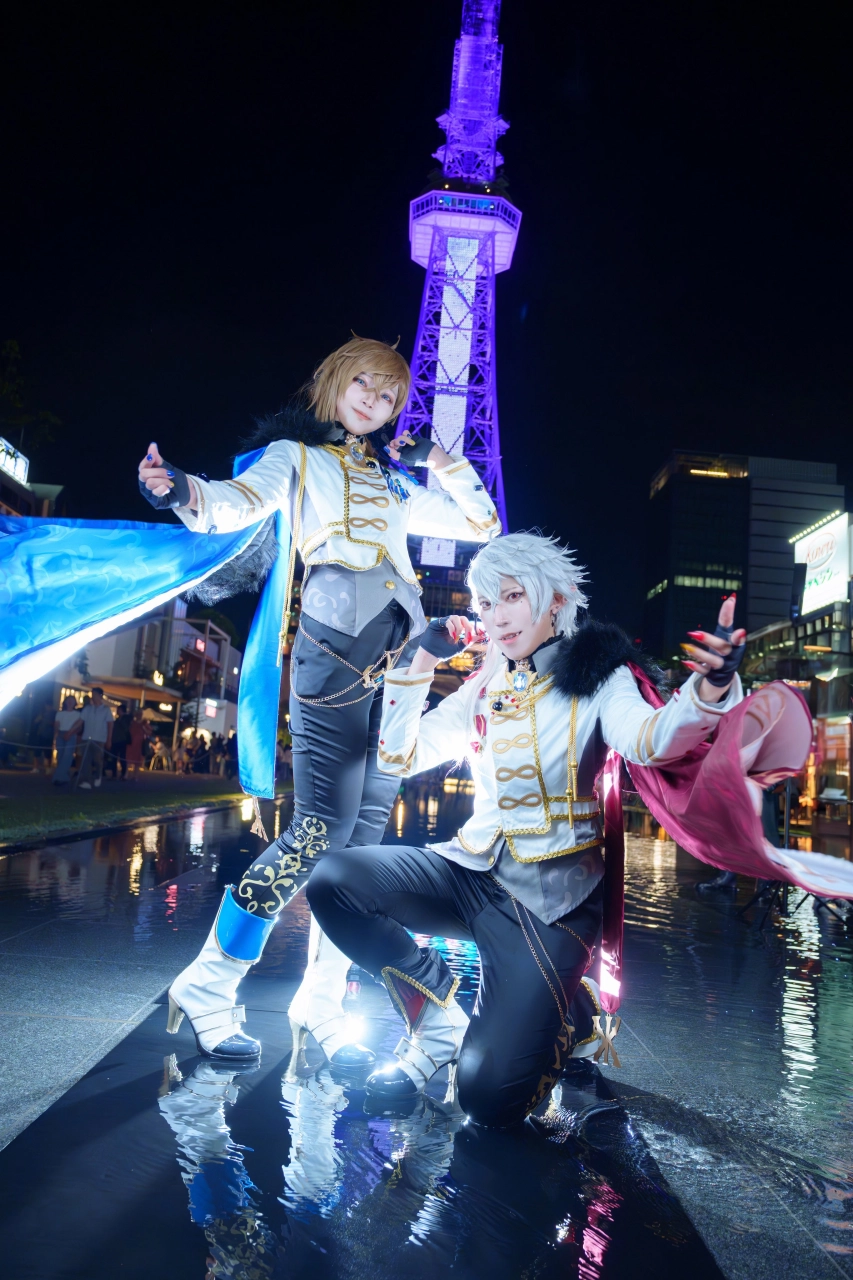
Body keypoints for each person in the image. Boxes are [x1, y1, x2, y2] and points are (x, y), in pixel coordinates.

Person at [304, 532, 751, 1126]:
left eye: (512, 597)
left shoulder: (602, 676)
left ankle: (572, 1015)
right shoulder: (487, 682)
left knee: (488, 1101)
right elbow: (398, 756)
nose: (496, 616)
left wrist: (710, 688)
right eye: (486, 603)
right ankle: (437, 1022)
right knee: (335, 880)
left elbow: (651, 740)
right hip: (470, 870)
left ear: (556, 600)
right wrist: (421, 663)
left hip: (551, 901)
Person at [155, 336, 500, 1064]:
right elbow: (234, 502)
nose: (376, 401)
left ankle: (320, 999)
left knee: (361, 851)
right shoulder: (297, 457)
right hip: (332, 658)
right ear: (335, 383)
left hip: (398, 671)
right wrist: (178, 489)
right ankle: (210, 982)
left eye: (389, 394)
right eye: (364, 385)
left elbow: (482, 526)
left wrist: (442, 462)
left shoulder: (396, 483)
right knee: (317, 833)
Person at [77, 687, 114, 789]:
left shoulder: (106, 709)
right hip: (86, 738)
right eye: (92, 695)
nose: (93, 697)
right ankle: (86, 781)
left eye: (95, 695)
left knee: (98, 760)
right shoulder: (88, 708)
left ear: (100, 696)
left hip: (99, 739)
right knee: (86, 760)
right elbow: (80, 721)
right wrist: (72, 731)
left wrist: (109, 739)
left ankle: (98, 776)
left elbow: (110, 724)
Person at [53, 696, 83, 785]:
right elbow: (57, 725)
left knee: (67, 755)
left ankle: (58, 777)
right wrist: (57, 735)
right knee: (60, 755)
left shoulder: (78, 714)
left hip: (71, 734)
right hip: (61, 734)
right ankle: (63, 776)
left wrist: (70, 733)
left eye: (72, 701)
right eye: (68, 700)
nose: (70, 702)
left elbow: (79, 727)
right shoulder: (60, 713)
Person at [110, 704, 132, 780]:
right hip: (116, 740)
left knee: (122, 757)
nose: (117, 711)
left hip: (122, 740)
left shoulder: (126, 719)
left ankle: (123, 774)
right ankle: (114, 774)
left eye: (118, 710)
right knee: (114, 758)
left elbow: (126, 728)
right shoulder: (118, 719)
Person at [125, 708, 150, 772]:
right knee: (128, 757)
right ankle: (126, 774)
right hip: (131, 742)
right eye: (138, 714)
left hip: (139, 743)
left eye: (140, 714)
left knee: (137, 759)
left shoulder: (144, 723)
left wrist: (143, 727)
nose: (139, 715)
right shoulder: (132, 722)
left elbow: (148, 732)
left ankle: (135, 774)